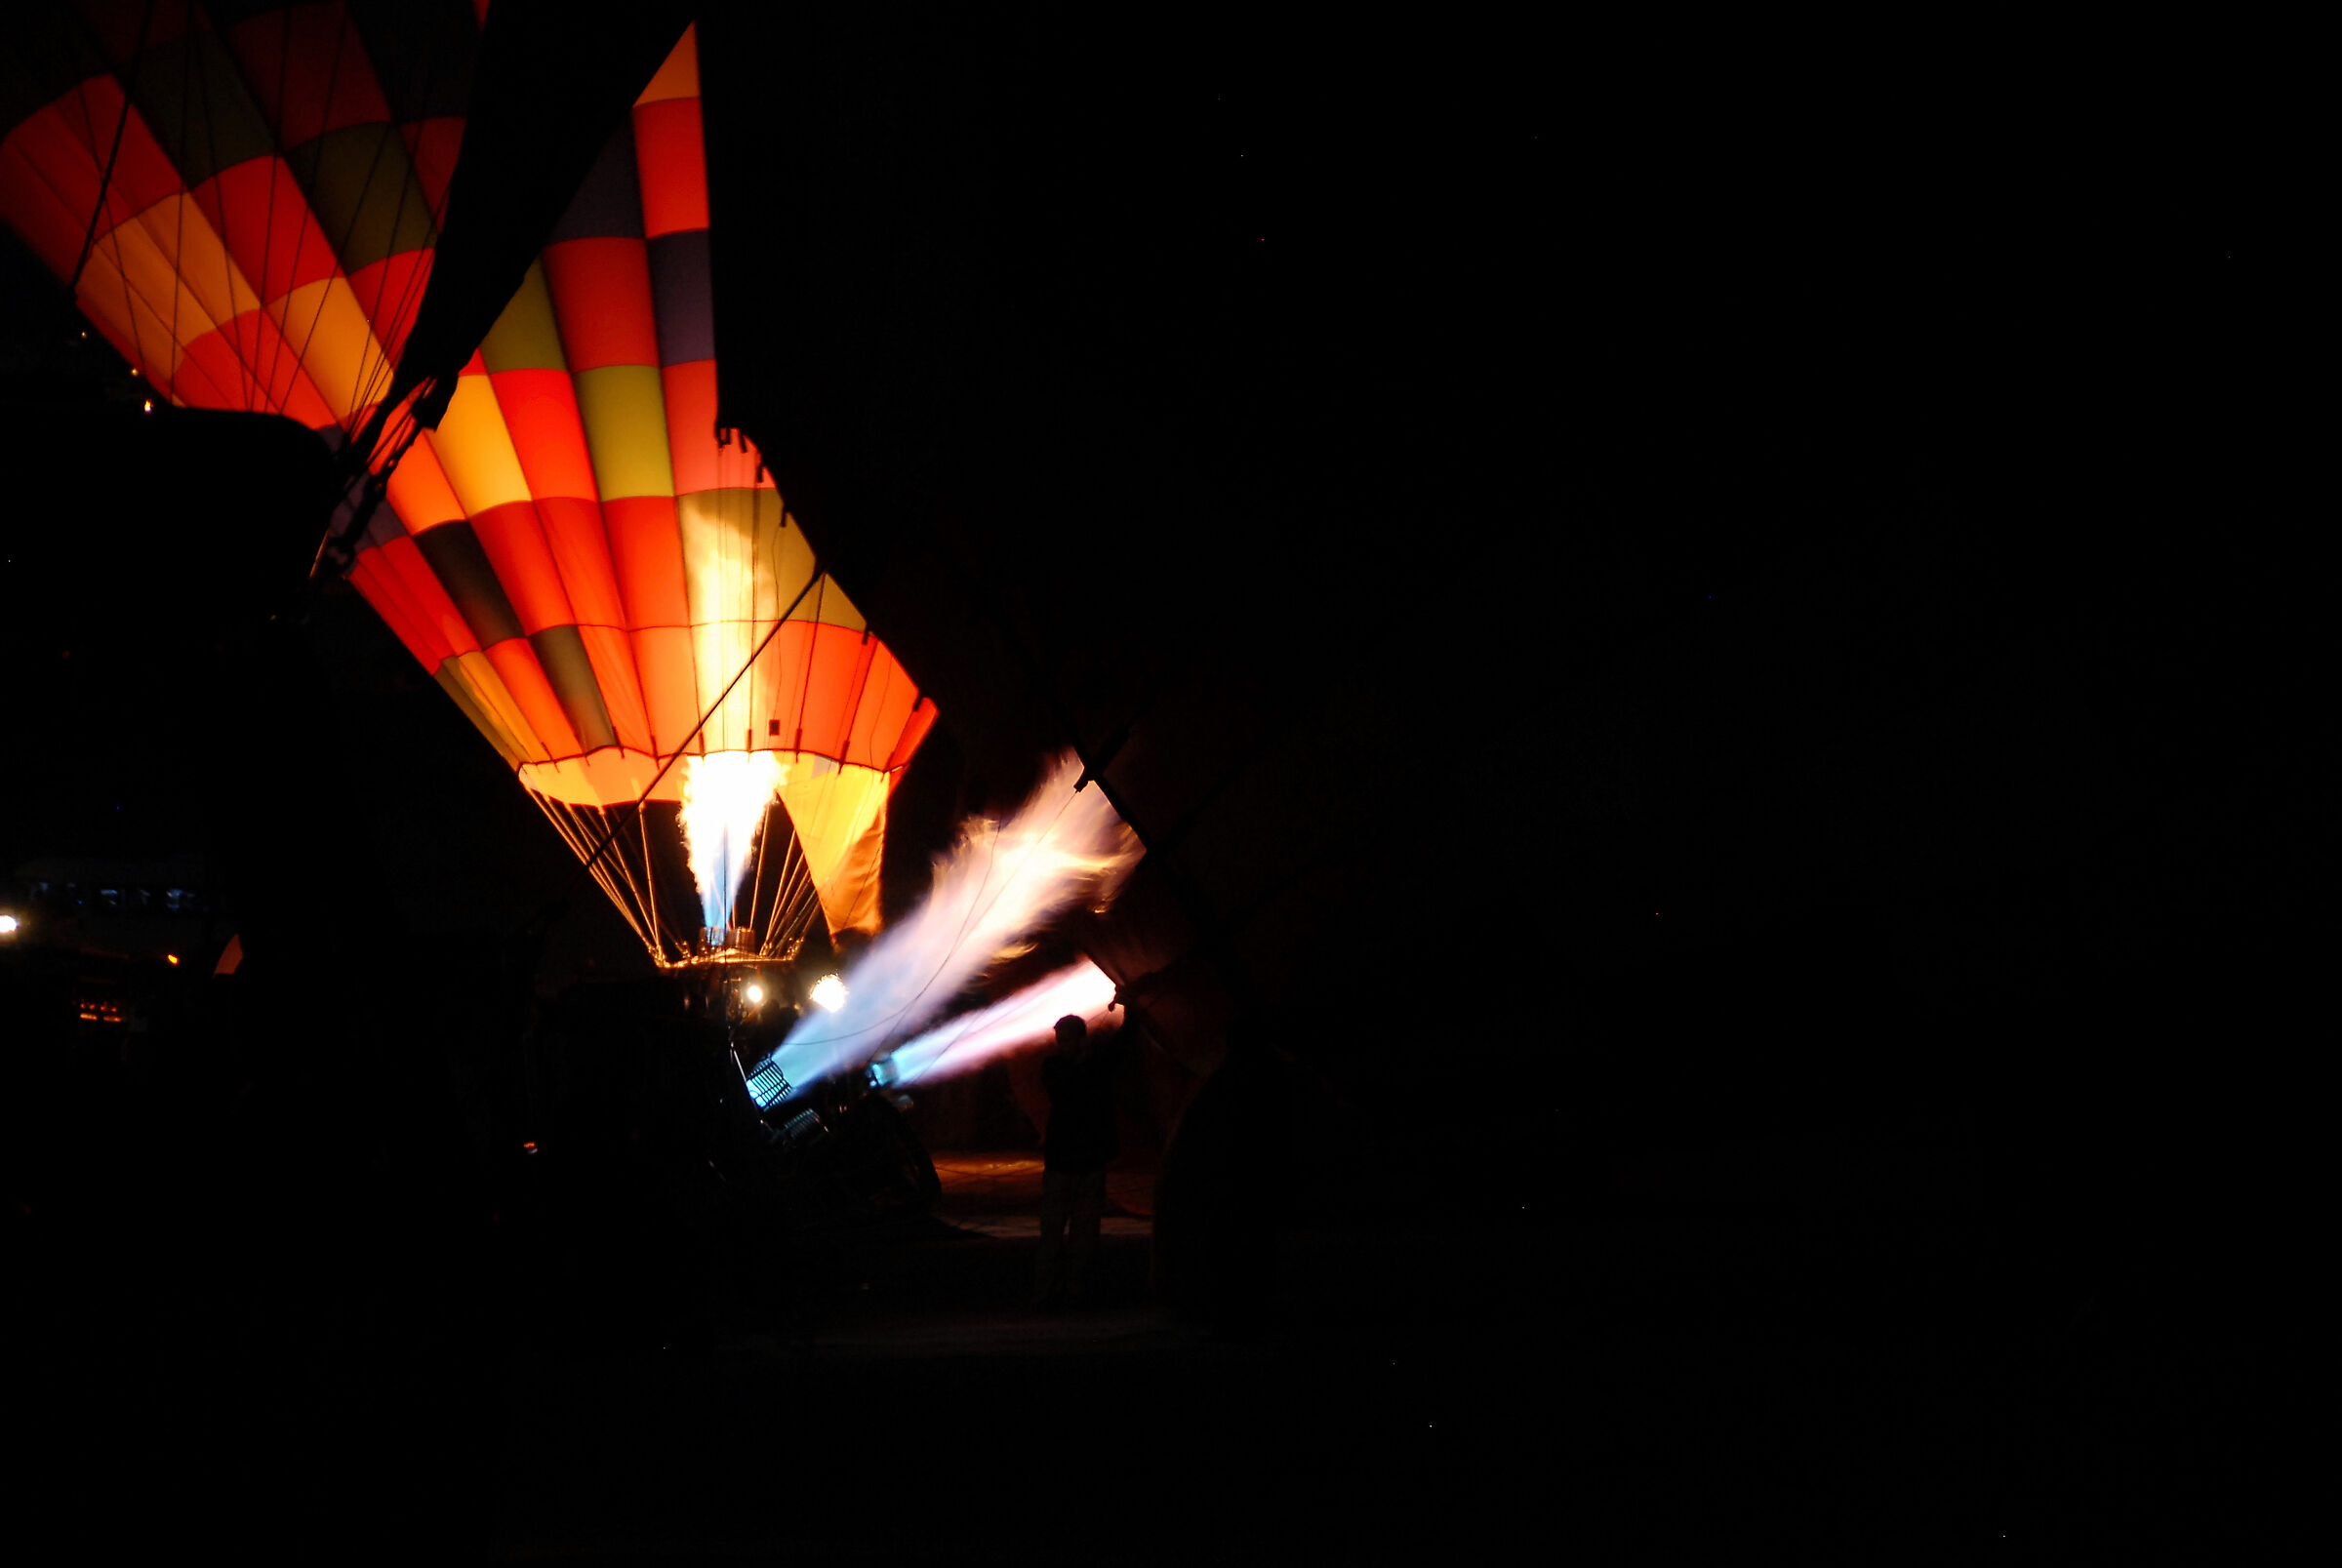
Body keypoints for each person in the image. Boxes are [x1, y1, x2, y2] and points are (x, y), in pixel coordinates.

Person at [1032, 1014, 1117, 1307]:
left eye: (1065, 1040)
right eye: (1060, 1041)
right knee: (1056, 1233)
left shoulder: (1071, 1067)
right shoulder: (1058, 1067)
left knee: (1081, 1235)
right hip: (1071, 1162)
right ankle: (1051, 1291)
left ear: (1080, 1040)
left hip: (1075, 1162)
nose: (1061, 1046)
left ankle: (1070, 1291)